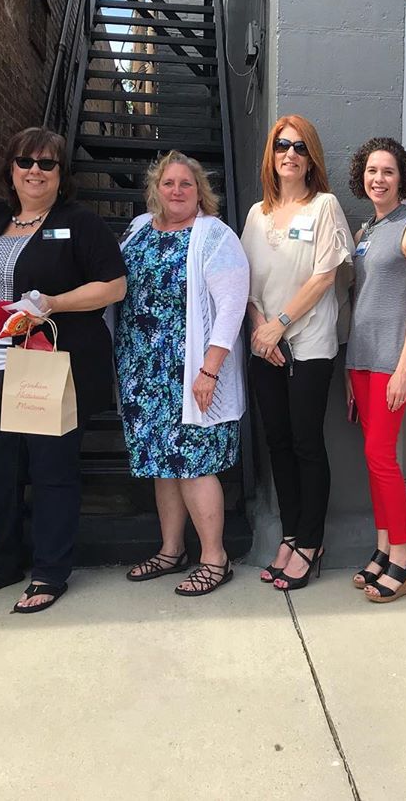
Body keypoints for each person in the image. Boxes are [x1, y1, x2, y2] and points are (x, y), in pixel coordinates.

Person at [0, 127, 126, 613]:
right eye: (26, 162)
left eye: (47, 164)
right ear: (11, 169)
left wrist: (52, 302)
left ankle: (50, 570)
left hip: (44, 369)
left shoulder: (79, 223)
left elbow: (113, 287)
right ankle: (2, 561)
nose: (35, 171)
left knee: (52, 472)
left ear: (60, 174)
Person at [116, 151, 249, 596]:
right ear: (156, 188)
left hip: (189, 370)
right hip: (142, 370)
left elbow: (231, 307)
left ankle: (215, 558)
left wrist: (209, 370)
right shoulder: (137, 230)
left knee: (194, 464)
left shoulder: (213, 235)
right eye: (168, 183)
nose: (176, 191)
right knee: (163, 465)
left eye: (185, 184)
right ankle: (171, 550)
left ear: (199, 192)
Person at [241, 116, 352, 590]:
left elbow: (325, 275)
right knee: (278, 444)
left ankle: (310, 541)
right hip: (264, 343)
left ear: (311, 158)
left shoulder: (323, 206)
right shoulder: (255, 214)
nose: (290, 153)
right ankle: (289, 533)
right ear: (271, 154)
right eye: (282, 145)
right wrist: (260, 331)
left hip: (308, 342)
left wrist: (280, 324)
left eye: (300, 147)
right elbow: (243, 282)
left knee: (306, 442)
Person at [345, 137, 406, 604]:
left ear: (401, 178)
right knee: (372, 461)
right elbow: (360, 302)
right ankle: (382, 549)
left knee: (383, 459)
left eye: (388, 171)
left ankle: (403, 556)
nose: (378, 178)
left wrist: (404, 369)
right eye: (371, 171)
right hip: (361, 360)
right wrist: (348, 370)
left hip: (390, 364)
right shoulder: (366, 232)